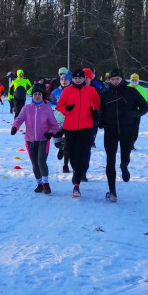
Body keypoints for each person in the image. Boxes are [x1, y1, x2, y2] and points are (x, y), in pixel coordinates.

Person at [98, 68, 148, 202]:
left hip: (127, 130)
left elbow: (144, 108)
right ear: (109, 80)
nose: (115, 82)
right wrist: (101, 121)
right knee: (110, 160)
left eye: (117, 79)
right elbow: (100, 110)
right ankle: (112, 191)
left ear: (122, 79)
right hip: (110, 131)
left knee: (125, 155)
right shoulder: (105, 93)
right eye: (112, 79)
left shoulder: (131, 91)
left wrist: (132, 115)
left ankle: (124, 165)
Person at [55, 69, 101, 198]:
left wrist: (95, 111)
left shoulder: (90, 90)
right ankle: (76, 170)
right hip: (70, 127)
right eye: (75, 78)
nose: (78, 80)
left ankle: (77, 183)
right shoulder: (67, 91)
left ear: (84, 79)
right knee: (73, 154)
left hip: (86, 127)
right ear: (72, 79)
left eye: (80, 78)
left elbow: (97, 103)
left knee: (85, 153)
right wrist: (66, 109)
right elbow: (59, 106)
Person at [11, 86, 59, 194]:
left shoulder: (47, 109)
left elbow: (54, 124)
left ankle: (46, 183)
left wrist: (50, 133)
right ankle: (39, 183)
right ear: (32, 96)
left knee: (41, 161)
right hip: (30, 140)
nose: (37, 96)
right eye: (35, 94)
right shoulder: (27, 108)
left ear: (42, 96)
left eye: (39, 94)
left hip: (43, 139)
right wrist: (15, 127)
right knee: (35, 163)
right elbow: (19, 119)